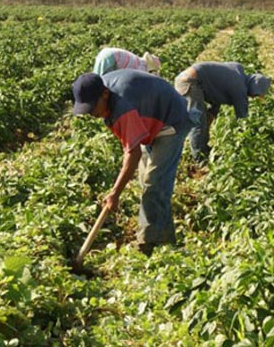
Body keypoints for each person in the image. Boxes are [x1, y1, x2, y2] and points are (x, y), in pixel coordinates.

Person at [72, 70, 196, 256]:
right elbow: (131, 147)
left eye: (92, 107)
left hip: (172, 122)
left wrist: (115, 194)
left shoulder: (123, 107)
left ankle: (152, 243)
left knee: (154, 182)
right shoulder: (103, 91)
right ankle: (161, 231)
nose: (90, 113)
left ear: (104, 94)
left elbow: (133, 153)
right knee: (147, 181)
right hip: (151, 120)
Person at [174, 62, 271, 163]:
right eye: (253, 95)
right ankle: (200, 159)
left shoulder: (237, 75)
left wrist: (211, 116)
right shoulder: (239, 87)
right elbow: (242, 118)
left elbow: (216, 95)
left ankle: (203, 149)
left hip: (191, 80)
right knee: (198, 121)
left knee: (204, 119)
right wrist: (247, 138)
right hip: (190, 82)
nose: (251, 97)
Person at [93, 47, 162, 76]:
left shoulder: (137, 60)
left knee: (96, 79)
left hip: (105, 53)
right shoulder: (141, 68)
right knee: (103, 84)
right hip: (111, 58)